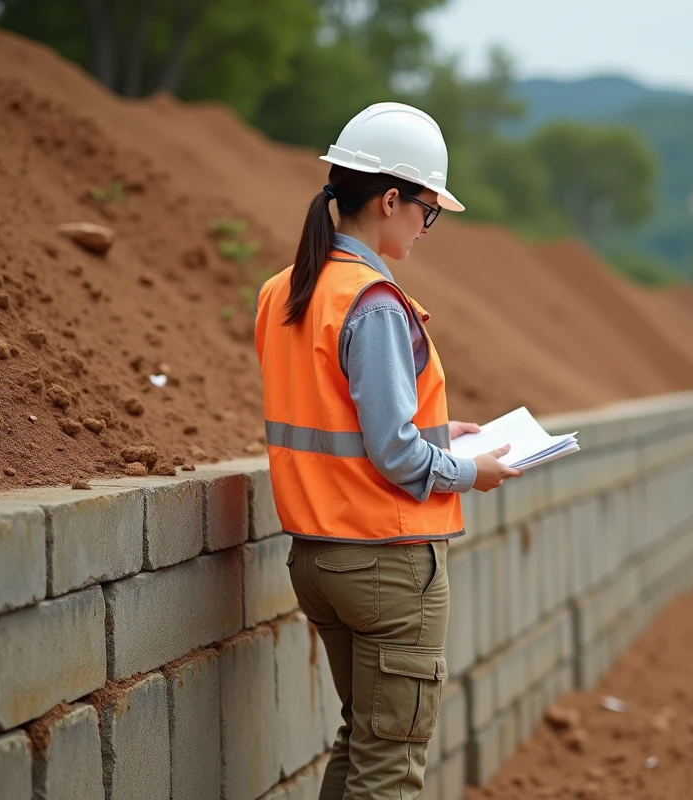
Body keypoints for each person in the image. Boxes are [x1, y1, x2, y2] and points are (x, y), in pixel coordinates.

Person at [253, 102, 523, 799]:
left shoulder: (286, 290)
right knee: (392, 763)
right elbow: (396, 458)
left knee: (365, 739)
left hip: (318, 556)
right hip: (384, 563)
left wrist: (443, 433)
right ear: (392, 198)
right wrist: (471, 471)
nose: (425, 227)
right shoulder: (371, 302)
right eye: (427, 211)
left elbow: (340, 417)